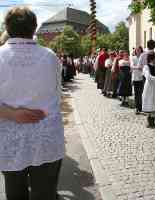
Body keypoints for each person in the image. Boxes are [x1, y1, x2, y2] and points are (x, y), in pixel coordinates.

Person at [0, 7, 65, 200]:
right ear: (34, 28)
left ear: (7, 28)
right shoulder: (50, 56)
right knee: (45, 194)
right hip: (46, 137)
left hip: (10, 139)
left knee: (15, 193)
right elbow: (57, 93)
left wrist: (12, 114)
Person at [142, 52, 155, 128]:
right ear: (153, 58)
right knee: (150, 101)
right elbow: (148, 77)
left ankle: (154, 119)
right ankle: (149, 120)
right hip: (150, 86)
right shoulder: (146, 67)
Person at [131, 46, 144, 114]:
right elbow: (132, 66)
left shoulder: (143, 57)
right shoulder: (134, 58)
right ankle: (137, 107)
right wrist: (138, 67)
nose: (138, 51)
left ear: (141, 50)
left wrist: (141, 68)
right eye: (137, 50)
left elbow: (144, 66)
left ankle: (141, 107)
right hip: (135, 77)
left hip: (142, 77)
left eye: (139, 50)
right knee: (136, 93)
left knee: (141, 93)